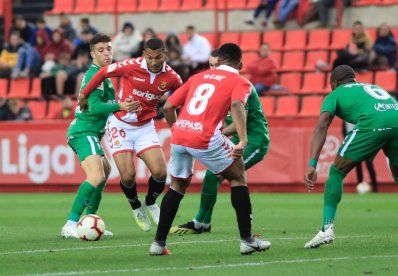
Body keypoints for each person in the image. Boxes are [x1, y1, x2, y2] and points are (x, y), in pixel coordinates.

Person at [149, 43, 271, 256]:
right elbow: (237, 105)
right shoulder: (240, 81)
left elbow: (168, 106)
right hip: (206, 138)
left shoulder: (198, 77)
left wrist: (176, 129)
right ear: (240, 63)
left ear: (219, 61)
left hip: (180, 135)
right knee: (238, 177)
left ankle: (158, 244)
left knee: (177, 186)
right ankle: (247, 240)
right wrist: (242, 140)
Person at [304, 65, 398, 248]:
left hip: (373, 122)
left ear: (334, 82)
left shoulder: (335, 94)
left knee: (337, 171)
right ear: (353, 78)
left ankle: (326, 229)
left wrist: (312, 163)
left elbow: (322, 125)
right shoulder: (373, 88)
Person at [79, 38, 182, 232]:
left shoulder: (172, 77)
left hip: (144, 126)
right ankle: (135, 206)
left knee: (160, 172)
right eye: (150, 57)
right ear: (144, 55)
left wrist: (181, 122)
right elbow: (102, 72)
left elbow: (182, 96)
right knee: (128, 176)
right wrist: (84, 94)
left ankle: (150, 202)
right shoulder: (131, 66)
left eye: (158, 57)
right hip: (120, 124)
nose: (154, 61)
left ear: (165, 54)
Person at [60, 33, 140, 238]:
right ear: (92, 54)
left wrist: (126, 107)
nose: (107, 53)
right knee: (95, 175)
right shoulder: (93, 75)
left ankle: (90, 220)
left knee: (104, 171)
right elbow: (95, 107)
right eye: (101, 50)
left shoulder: (105, 76)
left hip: (92, 132)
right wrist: (121, 105)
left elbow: (108, 108)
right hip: (83, 131)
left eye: (109, 49)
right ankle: (70, 224)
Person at [342, 122, 378, 192]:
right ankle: (359, 184)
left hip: (365, 141)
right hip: (354, 144)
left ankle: (375, 187)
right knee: (357, 165)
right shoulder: (346, 119)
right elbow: (344, 130)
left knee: (369, 164)